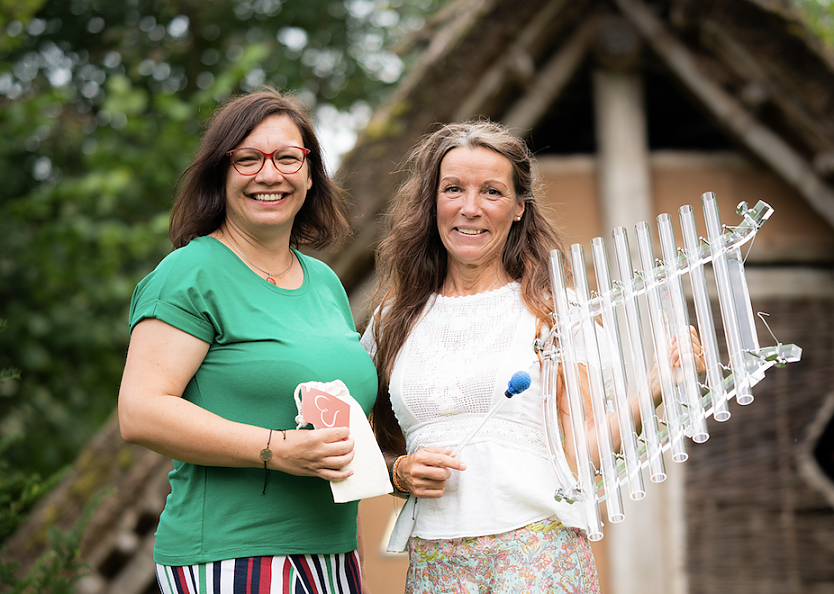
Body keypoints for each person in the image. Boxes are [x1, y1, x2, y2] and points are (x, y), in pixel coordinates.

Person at [361, 120, 704, 593]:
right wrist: (399, 471)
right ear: (432, 202)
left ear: (519, 207)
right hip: (435, 558)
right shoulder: (392, 320)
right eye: (454, 188)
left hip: (537, 549)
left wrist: (658, 383)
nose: (470, 208)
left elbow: (579, 452)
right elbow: (353, 443)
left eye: (492, 192)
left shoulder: (553, 312)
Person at [118, 87, 377, 594]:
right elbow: (140, 410)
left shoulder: (323, 281)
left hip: (333, 555)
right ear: (221, 171)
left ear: (309, 174)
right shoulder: (191, 273)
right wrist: (276, 450)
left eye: (287, 157)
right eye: (248, 159)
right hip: (233, 554)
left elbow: (348, 437)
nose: (269, 174)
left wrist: (355, 558)